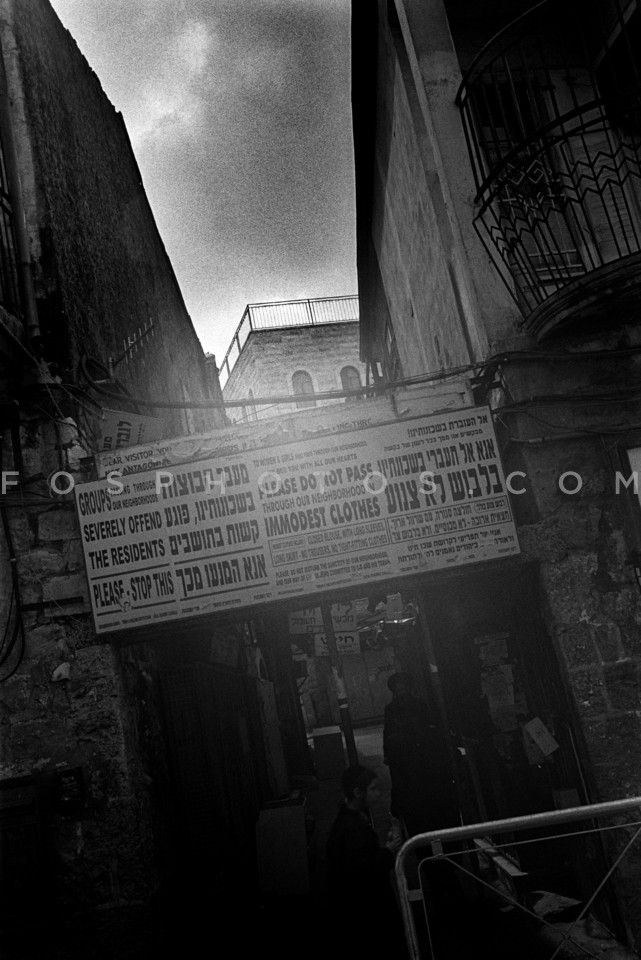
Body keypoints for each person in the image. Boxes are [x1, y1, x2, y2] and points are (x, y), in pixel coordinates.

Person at [325, 764, 407, 955]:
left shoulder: (348, 821)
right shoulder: (351, 827)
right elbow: (364, 869)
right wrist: (389, 850)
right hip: (367, 912)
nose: (378, 793)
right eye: (373, 788)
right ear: (357, 792)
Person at [383, 672, 458, 837]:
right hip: (407, 758)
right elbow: (387, 731)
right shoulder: (394, 709)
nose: (400, 688)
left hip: (416, 758)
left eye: (402, 684)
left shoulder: (416, 706)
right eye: (398, 685)